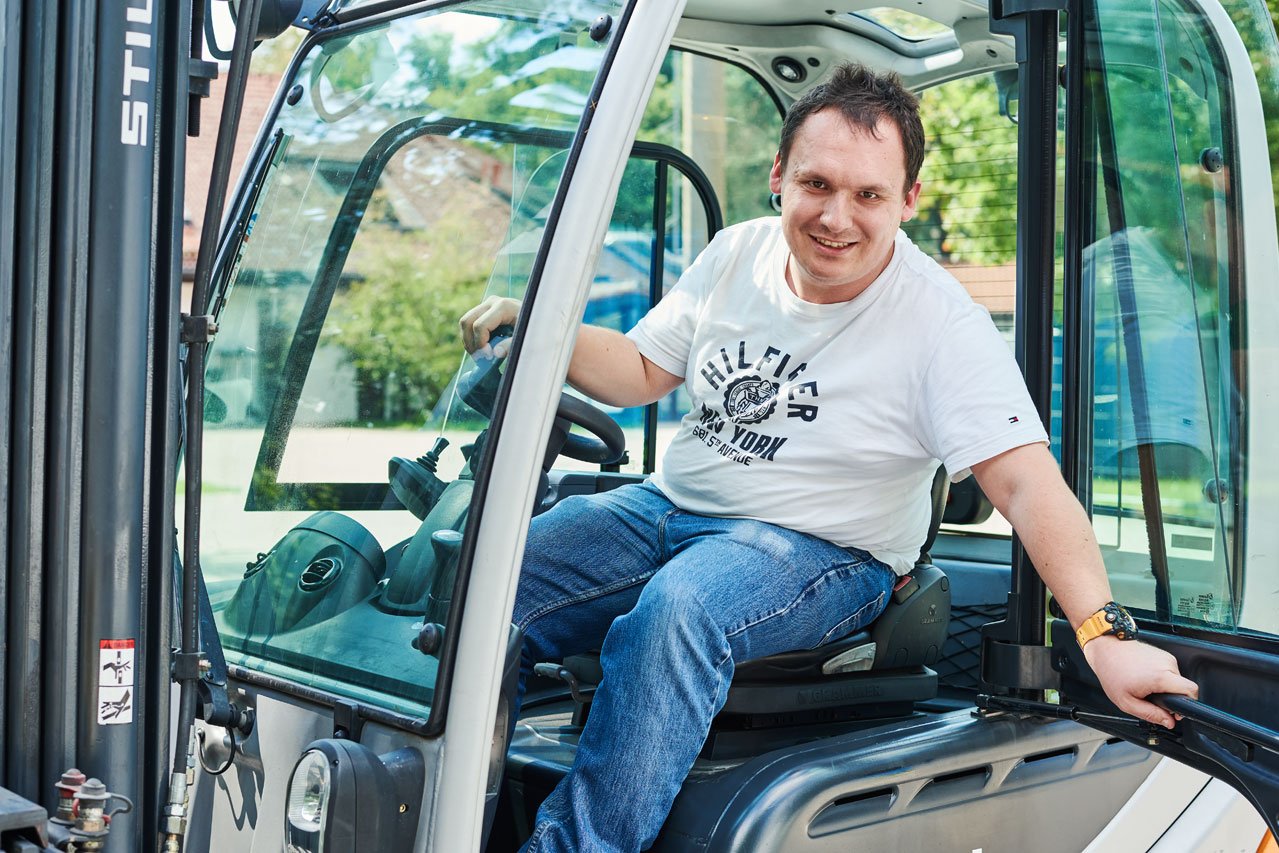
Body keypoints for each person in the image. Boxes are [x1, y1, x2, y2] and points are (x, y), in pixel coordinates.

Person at [460, 63, 1198, 853]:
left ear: (907, 200)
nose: (835, 216)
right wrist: (545, 328)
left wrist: (1103, 632)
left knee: (679, 611)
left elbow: (1024, 482)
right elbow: (640, 369)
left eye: (868, 195)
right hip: (665, 509)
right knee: (498, 565)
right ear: (778, 176)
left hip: (822, 553)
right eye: (815, 183)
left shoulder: (941, 325)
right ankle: (447, 807)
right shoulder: (734, 253)